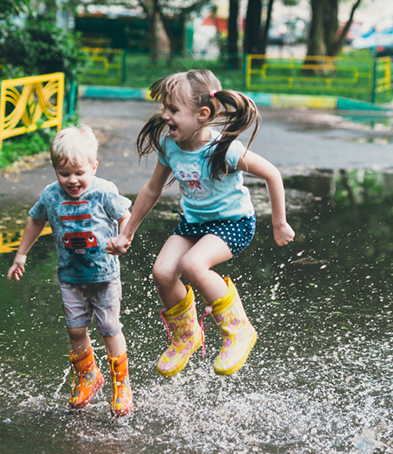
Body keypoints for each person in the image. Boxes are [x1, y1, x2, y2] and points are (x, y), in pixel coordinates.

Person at [106, 70, 295, 377]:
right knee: (163, 271)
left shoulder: (224, 149)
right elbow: (152, 189)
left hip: (233, 223)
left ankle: (239, 330)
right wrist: (126, 232)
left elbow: (272, 173)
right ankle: (187, 336)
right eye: (164, 108)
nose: (165, 116)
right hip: (194, 224)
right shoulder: (170, 147)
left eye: (173, 110)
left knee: (194, 265)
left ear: (202, 114)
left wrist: (278, 223)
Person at [7, 125, 133, 417]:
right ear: (54, 170)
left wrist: (123, 238)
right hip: (70, 277)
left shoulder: (104, 191)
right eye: (64, 174)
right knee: (76, 330)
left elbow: (126, 216)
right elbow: (35, 220)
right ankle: (89, 376)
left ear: (94, 167)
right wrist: (21, 254)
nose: (72, 181)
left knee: (109, 329)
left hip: (104, 276)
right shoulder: (51, 195)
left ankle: (121, 384)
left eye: (79, 173)